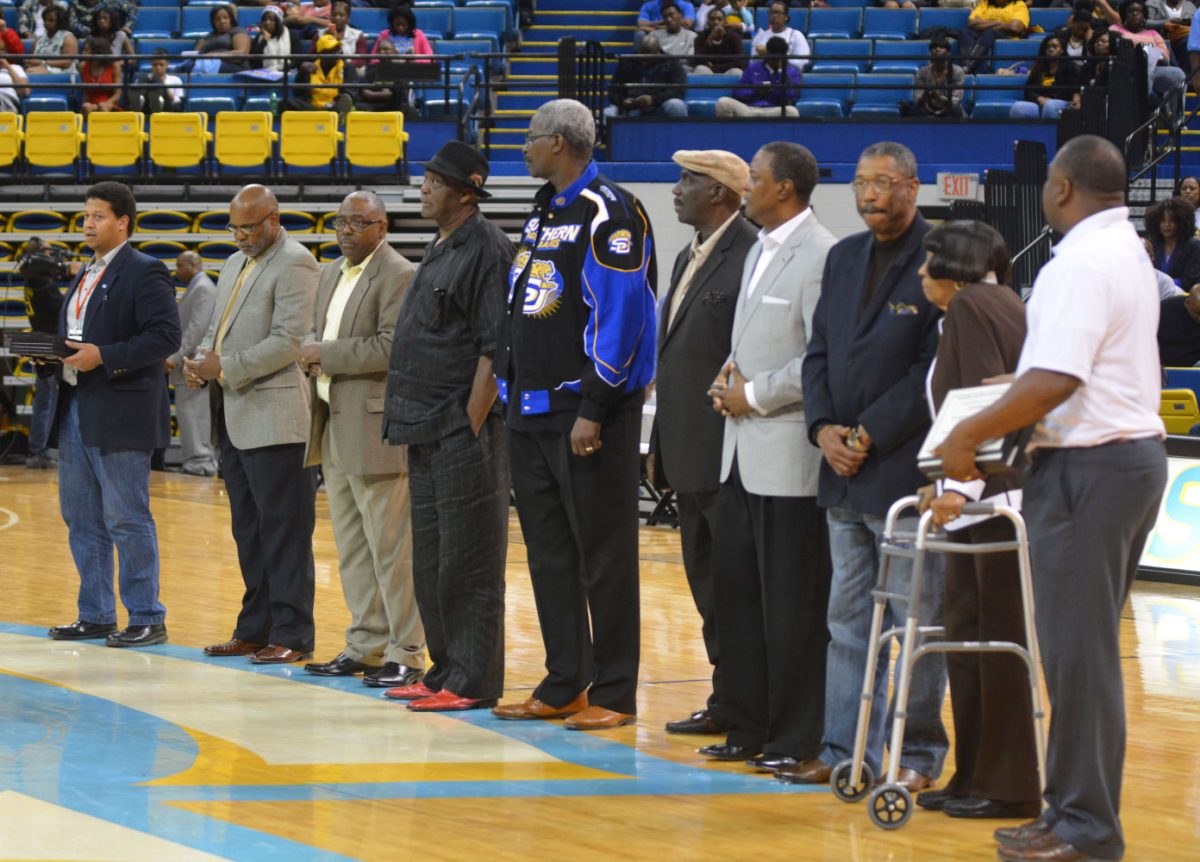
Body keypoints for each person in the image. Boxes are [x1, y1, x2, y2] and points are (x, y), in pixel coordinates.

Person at [936, 135, 1167, 862]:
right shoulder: (1124, 250)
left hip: (1091, 469)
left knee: (1079, 657)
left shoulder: (1079, 263)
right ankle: (1069, 812)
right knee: (1077, 655)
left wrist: (965, 435)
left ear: (1061, 189)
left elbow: (1056, 379)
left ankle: (1086, 828)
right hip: (1123, 463)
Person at [781, 142, 948, 793]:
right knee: (847, 624)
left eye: (883, 183)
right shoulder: (843, 257)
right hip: (841, 473)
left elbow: (930, 370)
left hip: (904, 474)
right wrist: (823, 429)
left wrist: (869, 433)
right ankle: (844, 749)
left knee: (915, 623)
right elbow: (817, 352)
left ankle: (921, 756)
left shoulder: (940, 256)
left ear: (912, 186)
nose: (870, 195)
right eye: (860, 183)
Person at [492, 99, 657, 730]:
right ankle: (566, 681)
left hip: (587, 418)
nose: (524, 148)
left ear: (560, 143)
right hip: (529, 414)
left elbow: (622, 317)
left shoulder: (610, 210)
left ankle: (615, 691)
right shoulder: (543, 209)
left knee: (604, 556)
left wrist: (595, 405)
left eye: (530, 138)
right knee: (549, 554)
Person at [696, 142, 837, 774]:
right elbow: (756, 340)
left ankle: (794, 738)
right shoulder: (758, 248)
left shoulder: (822, 253)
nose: (744, 187)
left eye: (754, 178)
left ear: (784, 189)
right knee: (740, 600)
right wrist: (731, 375)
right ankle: (747, 726)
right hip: (738, 456)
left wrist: (751, 393)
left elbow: (818, 360)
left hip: (786, 461)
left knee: (791, 612)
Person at [909, 222, 1041, 821]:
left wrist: (957, 486)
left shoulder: (970, 308)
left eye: (928, 260)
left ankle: (1008, 783)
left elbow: (980, 403)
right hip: (986, 497)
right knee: (971, 642)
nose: (920, 272)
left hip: (989, 503)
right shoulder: (1003, 301)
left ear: (953, 265)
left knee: (990, 645)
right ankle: (974, 774)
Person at [381, 143, 513, 711]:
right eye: (426, 180)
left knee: (470, 561)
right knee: (432, 561)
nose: (424, 189)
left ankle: (472, 680)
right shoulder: (439, 245)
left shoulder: (487, 247)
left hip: (463, 432)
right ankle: (443, 669)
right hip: (421, 427)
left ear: (466, 192)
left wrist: (470, 423)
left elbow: (495, 345)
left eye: (435, 182)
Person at [37, 181, 181, 648]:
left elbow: (164, 337)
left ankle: (146, 615)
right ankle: (96, 612)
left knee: (126, 517)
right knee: (81, 517)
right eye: (85, 216)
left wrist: (105, 355)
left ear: (123, 221)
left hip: (121, 410)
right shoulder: (84, 274)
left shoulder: (146, 270)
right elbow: (78, 335)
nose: (88, 223)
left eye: (98, 216)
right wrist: (53, 354)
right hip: (78, 406)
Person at [185, 185, 320, 665]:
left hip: (277, 418)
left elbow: (289, 340)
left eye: (248, 227)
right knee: (249, 530)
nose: (240, 236)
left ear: (273, 220)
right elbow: (214, 328)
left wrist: (227, 366)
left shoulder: (297, 262)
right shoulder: (233, 263)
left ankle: (293, 633)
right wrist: (198, 360)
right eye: (234, 227)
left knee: (284, 531)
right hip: (234, 413)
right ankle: (254, 627)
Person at [299, 192, 426, 687]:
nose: (346, 231)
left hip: (376, 428)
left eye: (358, 223)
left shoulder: (399, 274)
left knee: (392, 550)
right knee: (352, 548)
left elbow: (395, 347)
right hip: (332, 421)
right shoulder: (330, 273)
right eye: (340, 223)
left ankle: (407, 651)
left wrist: (325, 354)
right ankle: (365, 644)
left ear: (382, 225)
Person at [652, 149, 757, 737]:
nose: (676, 188)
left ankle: (744, 702)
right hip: (688, 451)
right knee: (707, 586)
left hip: (730, 452)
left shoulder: (750, 254)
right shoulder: (688, 255)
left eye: (687, 180)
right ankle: (727, 696)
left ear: (719, 192)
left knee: (735, 587)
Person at [165, 251, 218, 478]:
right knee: (189, 414)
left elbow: (196, 330)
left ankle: (201, 462)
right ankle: (196, 460)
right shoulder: (198, 287)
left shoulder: (203, 288)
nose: (176, 271)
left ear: (191, 265)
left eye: (179, 265)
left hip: (195, 365)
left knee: (195, 414)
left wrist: (174, 358)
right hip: (190, 363)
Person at [18, 237, 66, 470]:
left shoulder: (32, 281)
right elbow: (65, 307)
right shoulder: (43, 284)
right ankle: (40, 450)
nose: (51, 256)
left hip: (43, 343)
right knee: (48, 401)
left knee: (44, 400)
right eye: (47, 252)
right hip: (50, 346)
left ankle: (39, 449)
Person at [1112, 0, 1187, 112]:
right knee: (1144, 70)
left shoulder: (1153, 34)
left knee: (1178, 74)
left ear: (1144, 16)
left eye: (1138, 11)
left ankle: (1177, 120)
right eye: (1130, 11)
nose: (1135, 14)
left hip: (1153, 70)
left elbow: (1165, 57)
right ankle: (1148, 110)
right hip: (1126, 71)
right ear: (1124, 15)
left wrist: (1149, 52)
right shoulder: (1116, 29)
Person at [605, 34, 688, 118]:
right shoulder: (627, 61)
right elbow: (613, 91)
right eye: (641, 56)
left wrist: (653, 99)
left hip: (658, 106)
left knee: (676, 106)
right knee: (607, 113)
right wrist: (622, 101)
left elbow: (679, 90)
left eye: (649, 58)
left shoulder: (672, 62)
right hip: (630, 108)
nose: (644, 61)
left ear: (658, 53)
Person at [715, 35, 800, 117]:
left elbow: (792, 95)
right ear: (767, 53)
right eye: (772, 57)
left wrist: (777, 84)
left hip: (774, 110)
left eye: (778, 58)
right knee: (723, 103)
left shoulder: (792, 71)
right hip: (749, 109)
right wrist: (756, 91)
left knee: (792, 112)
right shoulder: (753, 67)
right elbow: (738, 91)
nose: (774, 61)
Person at [1010, 35, 1083, 119]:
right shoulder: (1039, 68)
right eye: (1048, 47)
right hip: (1040, 102)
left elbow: (1071, 91)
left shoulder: (1070, 68)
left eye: (1055, 47)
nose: (1051, 49)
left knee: (1050, 106)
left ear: (1062, 50)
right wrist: (1039, 98)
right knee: (1017, 108)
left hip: (1061, 103)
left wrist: (1050, 99)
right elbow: (1028, 90)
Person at [287, 32, 356, 118]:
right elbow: (299, 95)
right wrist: (302, 72)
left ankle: (334, 114)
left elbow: (350, 94)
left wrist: (334, 103)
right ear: (321, 53)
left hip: (334, 105)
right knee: (286, 103)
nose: (337, 53)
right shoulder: (309, 67)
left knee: (347, 103)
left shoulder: (347, 67)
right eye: (332, 50)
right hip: (312, 106)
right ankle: (322, 114)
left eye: (338, 49)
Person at [959, 0, 1030, 74]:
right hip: (982, 36)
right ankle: (966, 67)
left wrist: (983, 23)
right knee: (965, 32)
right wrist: (999, 22)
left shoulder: (1018, 5)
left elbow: (1015, 28)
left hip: (1007, 37)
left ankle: (967, 66)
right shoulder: (985, 4)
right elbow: (971, 23)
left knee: (989, 32)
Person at [1144, 196, 1200, 286]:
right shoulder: (1154, 244)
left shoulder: (1194, 246)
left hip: (1183, 297)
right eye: (1163, 221)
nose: (1167, 225)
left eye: (1172, 221)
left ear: (1181, 222)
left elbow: (1189, 282)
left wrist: (1162, 285)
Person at [912, 33, 966, 118]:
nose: (937, 49)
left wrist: (940, 98)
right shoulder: (922, 72)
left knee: (955, 108)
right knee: (914, 108)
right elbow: (917, 98)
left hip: (948, 108)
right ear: (930, 53)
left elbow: (956, 99)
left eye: (941, 47)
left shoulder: (957, 71)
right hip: (929, 107)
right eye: (934, 48)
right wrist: (925, 95)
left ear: (948, 53)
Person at [752, 1, 809, 71]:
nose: (774, 15)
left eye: (778, 13)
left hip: (788, 75)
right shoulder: (760, 36)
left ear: (786, 17)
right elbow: (753, 62)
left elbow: (803, 62)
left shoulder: (796, 35)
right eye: (771, 12)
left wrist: (773, 56)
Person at [193, 4, 251, 73]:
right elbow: (195, 54)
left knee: (195, 66)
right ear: (213, 22)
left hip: (233, 67)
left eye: (226, 18)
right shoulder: (209, 35)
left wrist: (214, 55)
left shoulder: (238, 31)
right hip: (207, 64)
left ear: (231, 19)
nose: (222, 21)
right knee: (189, 65)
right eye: (217, 19)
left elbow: (241, 55)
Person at [24, 5, 76, 74]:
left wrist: (42, 63)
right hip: (40, 68)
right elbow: (33, 59)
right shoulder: (39, 39)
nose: (46, 23)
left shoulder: (68, 38)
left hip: (63, 72)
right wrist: (29, 62)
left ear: (60, 21)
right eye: (45, 20)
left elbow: (67, 63)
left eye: (51, 20)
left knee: (31, 72)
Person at [692, 6, 745, 73]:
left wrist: (714, 67)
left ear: (725, 22)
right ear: (708, 22)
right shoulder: (700, 38)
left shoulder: (734, 38)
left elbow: (740, 63)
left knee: (737, 71)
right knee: (700, 69)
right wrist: (709, 41)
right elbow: (696, 62)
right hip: (708, 72)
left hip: (727, 71)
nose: (716, 22)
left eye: (719, 19)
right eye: (712, 19)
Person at [130, 49, 184, 115]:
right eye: (155, 65)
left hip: (166, 108)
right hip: (146, 108)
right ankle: (140, 99)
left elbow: (177, 102)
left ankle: (158, 100)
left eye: (161, 65)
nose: (158, 68)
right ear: (151, 64)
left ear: (167, 64)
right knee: (144, 77)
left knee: (156, 80)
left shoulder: (176, 80)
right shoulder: (144, 79)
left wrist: (163, 84)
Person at [80, 36, 122, 116]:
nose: (83, 53)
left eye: (86, 50)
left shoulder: (114, 66)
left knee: (102, 106)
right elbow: (86, 93)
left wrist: (105, 104)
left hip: (109, 102)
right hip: (91, 103)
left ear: (97, 52)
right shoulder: (82, 66)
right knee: (86, 106)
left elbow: (117, 94)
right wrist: (86, 104)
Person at [1146, 0, 1194, 66]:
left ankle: (1186, 73)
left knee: (1189, 42)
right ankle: (1176, 71)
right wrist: (1166, 22)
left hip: (1182, 37)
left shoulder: (1190, 6)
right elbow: (1146, 22)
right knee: (1163, 43)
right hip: (1160, 38)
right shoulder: (1153, 3)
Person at [67, 0, 137, 40]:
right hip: (85, 38)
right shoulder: (75, 3)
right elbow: (72, 23)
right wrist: (93, 32)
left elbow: (132, 8)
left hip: (108, 37)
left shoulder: (111, 1)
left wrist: (127, 26)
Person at [251, 5, 291, 73]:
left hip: (286, 72)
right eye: (265, 19)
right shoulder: (259, 37)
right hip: (264, 73)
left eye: (271, 20)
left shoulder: (290, 34)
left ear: (278, 22)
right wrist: (264, 40)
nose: (267, 22)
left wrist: (283, 68)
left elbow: (297, 59)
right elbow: (254, 61)